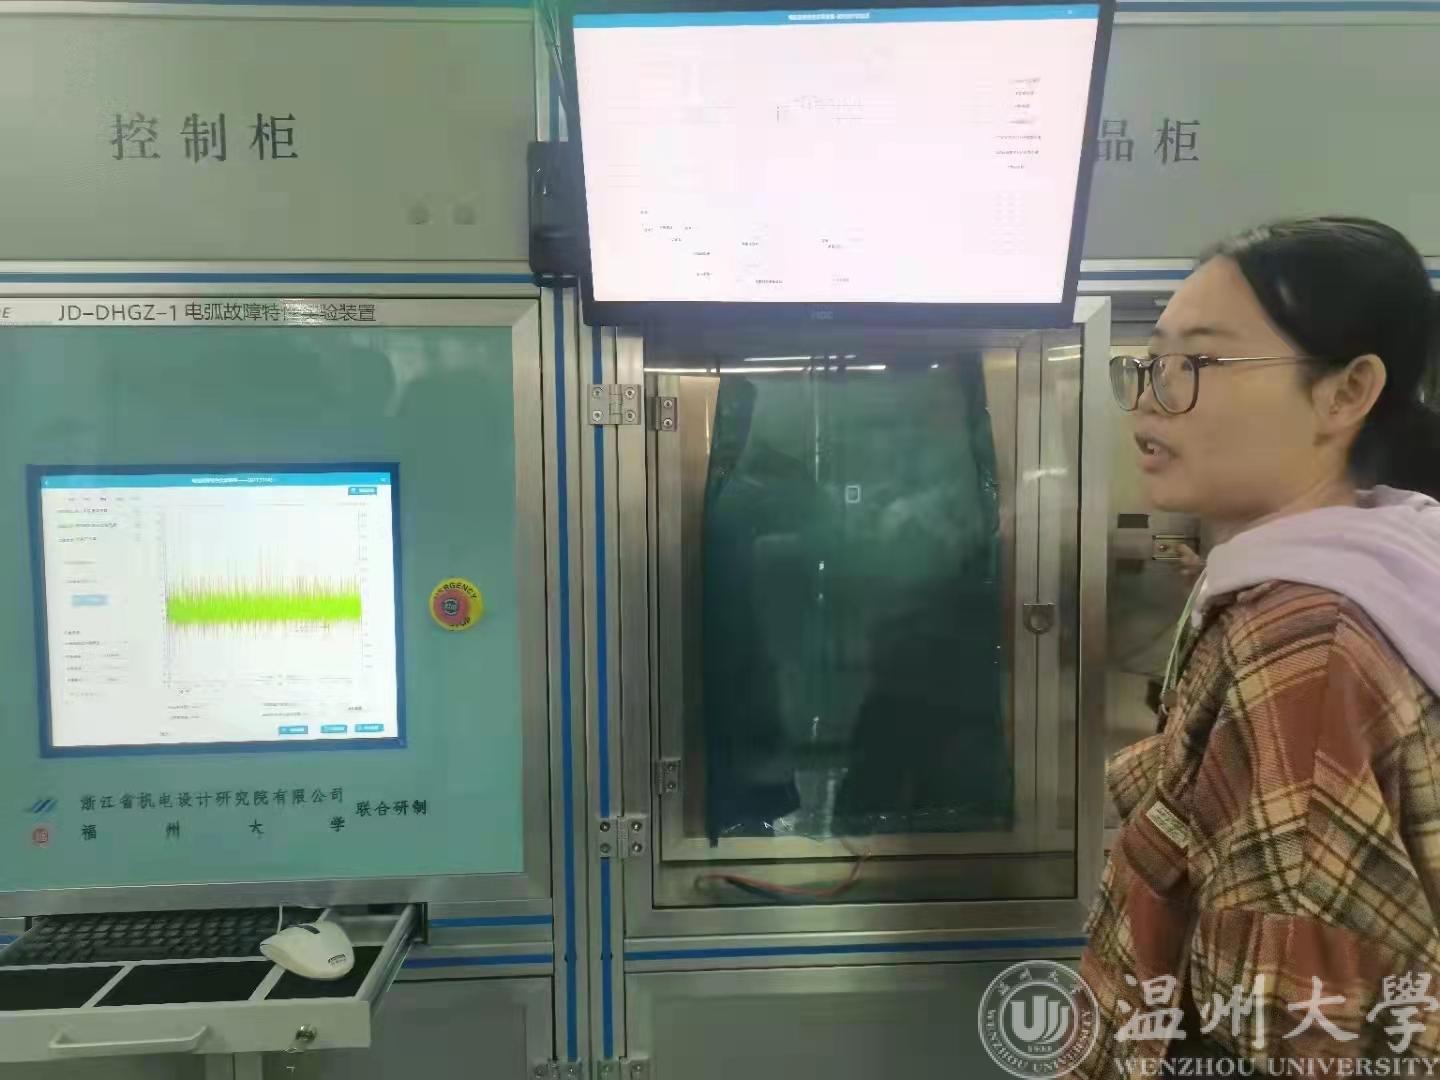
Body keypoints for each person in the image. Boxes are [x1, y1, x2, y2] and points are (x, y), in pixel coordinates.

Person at [1078, 217, 1440, 1075]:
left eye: (1198, 362)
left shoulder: (1306, 643)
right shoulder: (1373, 570)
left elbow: (1303, 1038)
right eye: (1151, 362)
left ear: (1346, 393)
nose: (1151, 398)